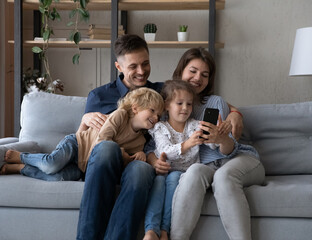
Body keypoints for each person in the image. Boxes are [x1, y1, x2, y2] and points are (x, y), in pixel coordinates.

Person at [77, 34, 243, 240]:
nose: (141, 71)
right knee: (107, 148)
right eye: (133, 66)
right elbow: (87, 141)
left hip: (139, 161)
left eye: (145, 63)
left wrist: (235, 113)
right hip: (107, 162)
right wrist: (83, 121)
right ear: (119, 67)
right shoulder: (99, 96)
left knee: (140, 172)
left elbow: (199, 99)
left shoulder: (159, 91)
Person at [148, 47, 266, 240]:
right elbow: (153, 145)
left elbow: (227, 150)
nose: (197, 78)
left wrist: (221, 138)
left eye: (204, 74)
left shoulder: (213, 103)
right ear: (181, 71)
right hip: (205, 167)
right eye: (192, 71)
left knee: (223, 176)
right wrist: (154, 160)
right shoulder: (168, 106)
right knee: (193, 172)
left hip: (236, 160)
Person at [0, 87, 164, 182]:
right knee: (52, 164)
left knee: (58, 178)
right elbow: (102, 143)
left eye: (159, 115)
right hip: (78, 145)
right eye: (152, 110)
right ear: (135, 108)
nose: (156, 117)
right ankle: (22, 157)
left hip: (84, 168)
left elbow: (120, 164)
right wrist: (126, 156)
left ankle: (21, 169)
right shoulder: (120, 115)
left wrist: (139, 155)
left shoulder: (140, 141)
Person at [143, 80, 235, 240]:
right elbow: (165, 150)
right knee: (158, 184)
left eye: (189, 104)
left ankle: (164, 230)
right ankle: (151, 230)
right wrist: (188, 143)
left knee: (173, 179)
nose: (185, 108)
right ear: (166, 105)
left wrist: (218, 136)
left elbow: (212, 147)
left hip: (184, 175)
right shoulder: (160, 127)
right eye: (179, 103)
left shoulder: (195, 126)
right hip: (162, 170)